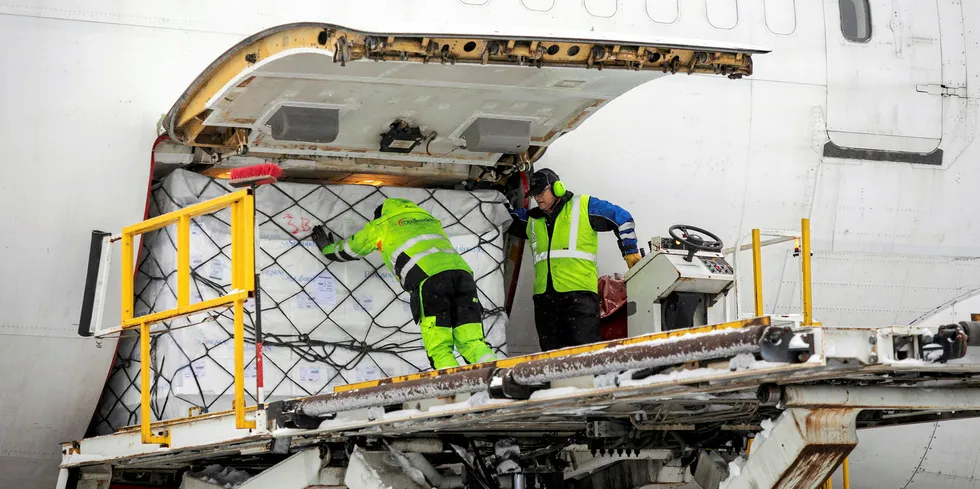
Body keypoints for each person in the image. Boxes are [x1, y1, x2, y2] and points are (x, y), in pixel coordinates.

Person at [310, 198, 498, 370]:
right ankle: (497, 378)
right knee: (473, 342)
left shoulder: (382, 224)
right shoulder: (428, 219)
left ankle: (456, 393)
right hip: (463, 277)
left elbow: (353, 248)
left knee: (440, 349)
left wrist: (328, 250)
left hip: (430, 282)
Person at [507, 168, 641, 351]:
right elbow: (505, 217)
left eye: (541, 193)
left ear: (557, 188)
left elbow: (623, 218)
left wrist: (630, 251)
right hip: (545, 299)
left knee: (583, 354)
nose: (537, 198)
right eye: (534, 194)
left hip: (579, 297)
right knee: (551, 356)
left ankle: (586, 381)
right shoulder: (532, 219)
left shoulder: (584, 206)